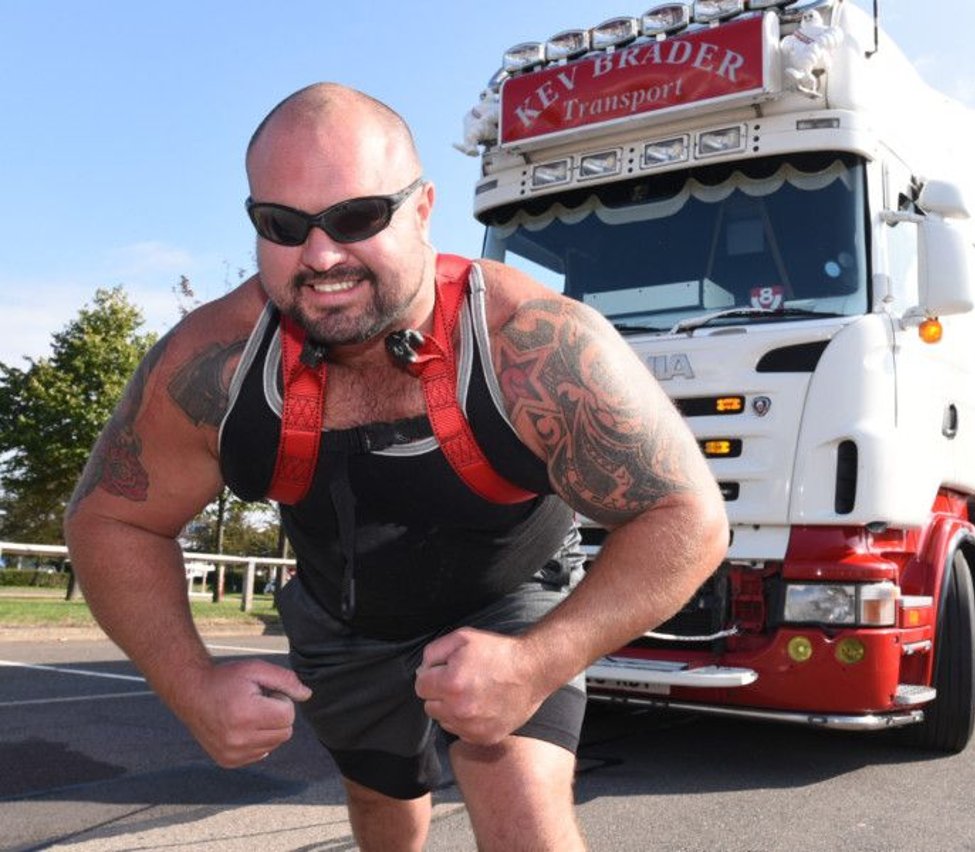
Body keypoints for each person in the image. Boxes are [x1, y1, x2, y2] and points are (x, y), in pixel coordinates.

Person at [63, 82, 728, 851]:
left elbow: (687, 516)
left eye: (357, 216)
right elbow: (112, 519)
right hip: (346, 619)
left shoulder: (532, 341)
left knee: (524, 812)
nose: (320, 255)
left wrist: (540, 659)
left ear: (421, 210)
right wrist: (192, 684)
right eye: (282, 224)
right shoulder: (210, 364)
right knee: (386, 819)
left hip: (508, 598)